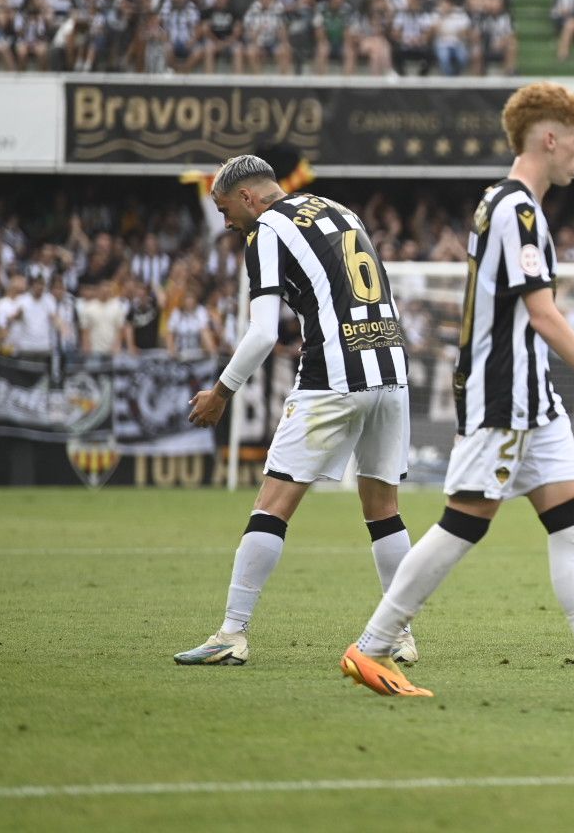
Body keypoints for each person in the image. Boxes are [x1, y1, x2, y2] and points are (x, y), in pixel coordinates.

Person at [340, 83, 574, 698]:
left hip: (533, 397)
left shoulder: (505, 204)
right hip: (505, 393)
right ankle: (372, 646)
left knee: (570, 520)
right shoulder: (517, 209)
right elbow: (543, 312)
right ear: (548, 138)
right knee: (464, 523)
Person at [176, 155, 414, 667]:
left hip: (332, 374)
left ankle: (231, 634)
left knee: (272, 504)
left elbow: (263, 331)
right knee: (384, 509)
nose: (226, 223)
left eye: (223, 210)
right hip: (390, 367)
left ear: (247, 198)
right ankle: (399, 633)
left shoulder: (265, 229)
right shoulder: (338, 209)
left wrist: (221, 391)